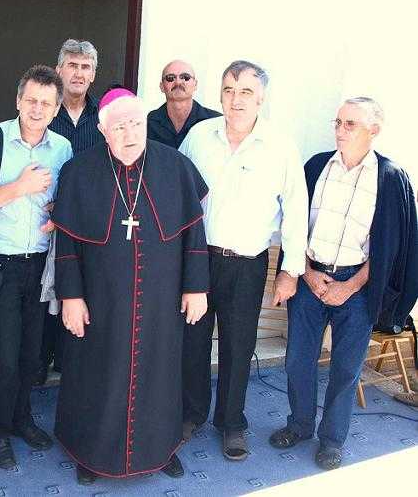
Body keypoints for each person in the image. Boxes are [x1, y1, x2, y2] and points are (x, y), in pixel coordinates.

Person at [51, 88, 210, 484]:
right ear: (104, 131)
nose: (129, 133)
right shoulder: (79, 171)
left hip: (161, 299)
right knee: (95, 373)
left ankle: (161, 448)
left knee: (161, 372)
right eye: (119, 126)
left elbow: (194, 232)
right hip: (100, 300)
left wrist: (196, 287)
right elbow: (66, 243)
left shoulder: (175, 166)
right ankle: (90, 454)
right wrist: (71, 297)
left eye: (136, 123)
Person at [269, 97, 418, 470]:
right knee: (298, 360)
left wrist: (349, 286)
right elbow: (293, 223)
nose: (340, 130)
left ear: (374, 130)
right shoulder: (316, 166)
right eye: (338, 122)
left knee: (346, 369)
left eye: (350, 124)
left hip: (358, 288)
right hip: (310, 277)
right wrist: (306, 271)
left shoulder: (390, 178)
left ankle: (332, 440)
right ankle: (299, 425)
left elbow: (392, 246)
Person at [178, 60, 309, 459]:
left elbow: (296, 211)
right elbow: (177, 192)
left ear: (261, 98)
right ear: (220, 95)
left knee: (238, 346)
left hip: (247, 264)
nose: (236, 100)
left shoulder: (280, 147)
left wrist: (290, 271)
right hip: (198, 260)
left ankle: (231, 422)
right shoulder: (199, 136)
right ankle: (191, 413)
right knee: (192, 341)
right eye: (229, 90)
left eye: (246, 92)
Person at [0, 65, 72, 470]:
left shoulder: (62, 148)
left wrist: (58, 213)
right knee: (4, 355)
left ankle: (22, 419)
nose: (37, 109)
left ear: (56, 108)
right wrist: (19, 188)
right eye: (31, 100)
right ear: (18, 100)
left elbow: (65, 201)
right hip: (0, 264)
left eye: (46, 103)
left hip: (41, 264)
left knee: (31, 353)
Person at [35, 39, 106, 385]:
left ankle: (67, 363)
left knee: (78, 292)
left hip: (90, 226)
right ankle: (38, 364)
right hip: (44, 224)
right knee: (43, 295)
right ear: (59, 70)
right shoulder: (43, 112)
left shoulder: (104, 117)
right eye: (72, 66)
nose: (78, 73)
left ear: (93, 74)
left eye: (85, 67)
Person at [147, 59, 220, 149]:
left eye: (185, 77)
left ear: (195, 84)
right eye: (170, 78)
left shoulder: (215, 122)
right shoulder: (148, 123)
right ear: (162, 86)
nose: (178, 82)